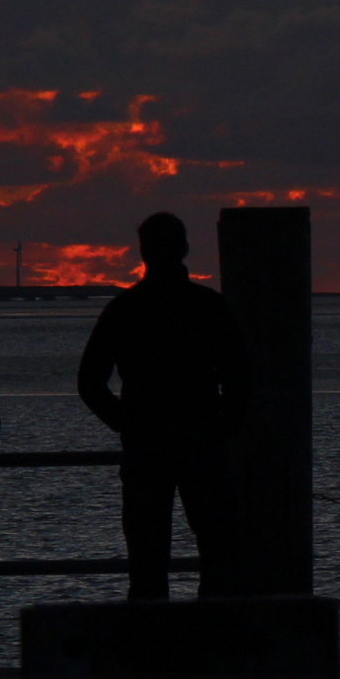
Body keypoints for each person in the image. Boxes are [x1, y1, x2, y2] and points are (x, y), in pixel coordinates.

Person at [78, 212, 250, 599]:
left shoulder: (125, 309)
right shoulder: (209, 306)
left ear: (143, 253)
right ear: (184, 249)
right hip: (201, 441)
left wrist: (126, 422)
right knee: (219, 554)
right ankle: (215, 645)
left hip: (147, 445)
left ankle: (152, 649)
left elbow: (90, 382)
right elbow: (240, 376)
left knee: (147, 561)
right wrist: (225, 424)